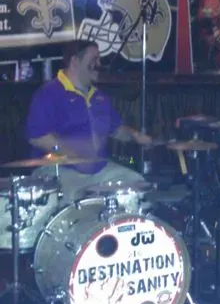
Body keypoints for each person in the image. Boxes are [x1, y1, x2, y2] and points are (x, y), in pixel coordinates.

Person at [26, 40, 152, 203]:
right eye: (94, 60)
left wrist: (135, 135)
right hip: (60, 170)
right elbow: (37, 137)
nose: (99, 65)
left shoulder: (99, 97)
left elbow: (117, 130)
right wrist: (74, 155)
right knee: (71, 198)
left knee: (136, 183)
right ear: (74, 62)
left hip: (99, 170)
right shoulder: (48, 94)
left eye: (99, 59)